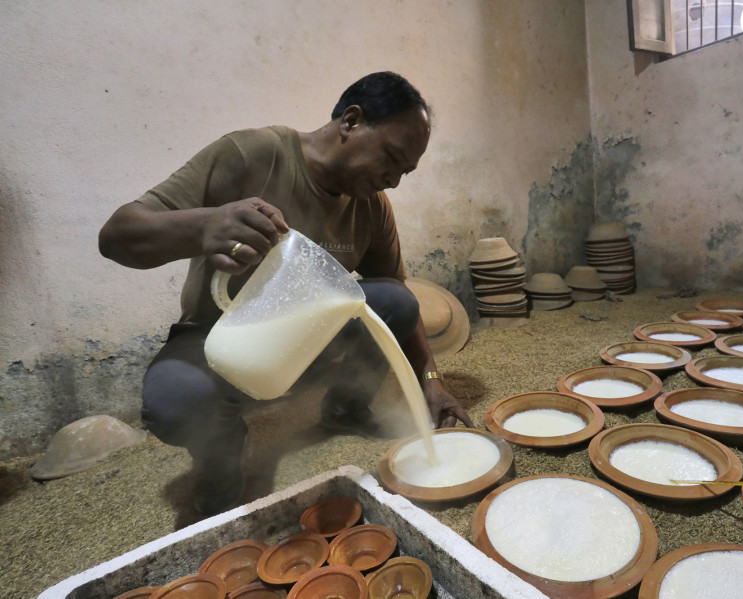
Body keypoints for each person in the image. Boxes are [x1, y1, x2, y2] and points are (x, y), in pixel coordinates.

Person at [99, 71, 474, 515]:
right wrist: (204, 226)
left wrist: (430, 380)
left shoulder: (372, 205)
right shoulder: (253, 154)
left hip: (306, 340)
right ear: (350, 122)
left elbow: (398, 302)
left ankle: (345, 408)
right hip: (218, 338)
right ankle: (221, 461)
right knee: (177, 400)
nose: (393, 180)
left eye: (405, 172)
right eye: (391, 158)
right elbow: (117, 236)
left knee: (394, 299)